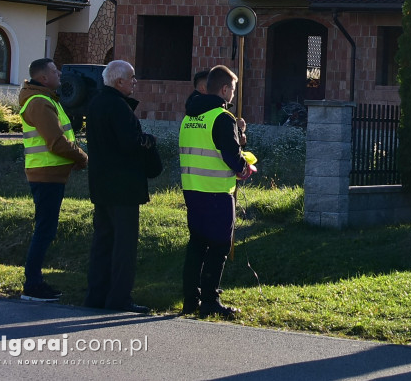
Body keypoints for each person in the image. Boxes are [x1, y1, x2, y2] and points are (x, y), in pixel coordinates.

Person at [84, 60, 162, 314]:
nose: (134, 82)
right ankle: (119, 298)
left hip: (101, 184)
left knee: (103, 241)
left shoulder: (95, 103)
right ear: (119, 82)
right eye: (131, 78)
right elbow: (130, 144)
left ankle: (96, 294)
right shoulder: (118, 107)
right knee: (124, 246)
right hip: (124, 186)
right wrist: (148, 141)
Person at [179, 65, 255, 319]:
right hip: (217, 192)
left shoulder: (190, 117)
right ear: (224, 89)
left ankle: (191, 299)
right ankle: (210, 301)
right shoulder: (222, 118)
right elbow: (231, 155)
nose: (233, 95)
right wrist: (246, 169)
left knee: (197, 245)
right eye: (232, 89)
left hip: (193, 190)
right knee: (220, 246)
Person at [18, 58, 89, 301]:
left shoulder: (46, 99)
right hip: (46, 174)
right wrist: (82, 158)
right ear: (43, 77)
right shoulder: (39, 102)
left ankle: (34, 281)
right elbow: (57, 142)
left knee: (46, 229)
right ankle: (33, 284)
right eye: (54, 70)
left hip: (50, 173)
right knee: (45, 230)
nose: (60, 73)